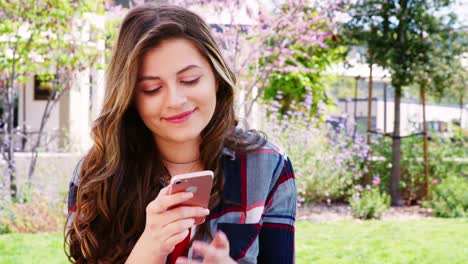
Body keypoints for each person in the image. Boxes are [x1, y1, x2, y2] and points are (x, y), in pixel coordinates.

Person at [65, 3, 296, 264]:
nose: (175, 100)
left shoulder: (267, 166)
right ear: (130, 98)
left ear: (216, 78)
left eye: (190, 80)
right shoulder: (96, 175)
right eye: (152, 88)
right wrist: (149, 247)